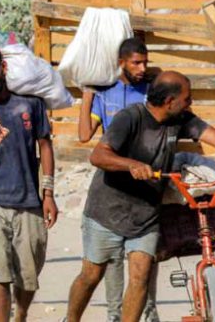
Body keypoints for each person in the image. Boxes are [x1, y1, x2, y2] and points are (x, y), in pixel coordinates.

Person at [66, 71, 215, 322]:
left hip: (146, 216)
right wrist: (131, 164)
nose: (191, 102)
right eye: (187, 98)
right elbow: (98, 155)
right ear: (169, 101)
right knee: (91, 275)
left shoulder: (181, 119)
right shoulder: (130, 117)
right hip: (107, 212)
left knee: (140, 278)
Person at [77, 38, 161, 322]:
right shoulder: (106, 94)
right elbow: (84, 135)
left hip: (145, 184)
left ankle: (148, 314)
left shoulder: (150, 91)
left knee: (143, 264)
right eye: (136, 63)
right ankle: (114, 315)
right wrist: (87, 94)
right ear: (120, 63)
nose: (142, 68)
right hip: (111, 186)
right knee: (111, 261)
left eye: (145, 62)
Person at [0, 45, 57, 322]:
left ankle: (20, 315)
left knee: (28, 275)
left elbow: (44, 145)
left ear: (3, 68)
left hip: (29, 200)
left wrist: (48, 193)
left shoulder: (29, 104)